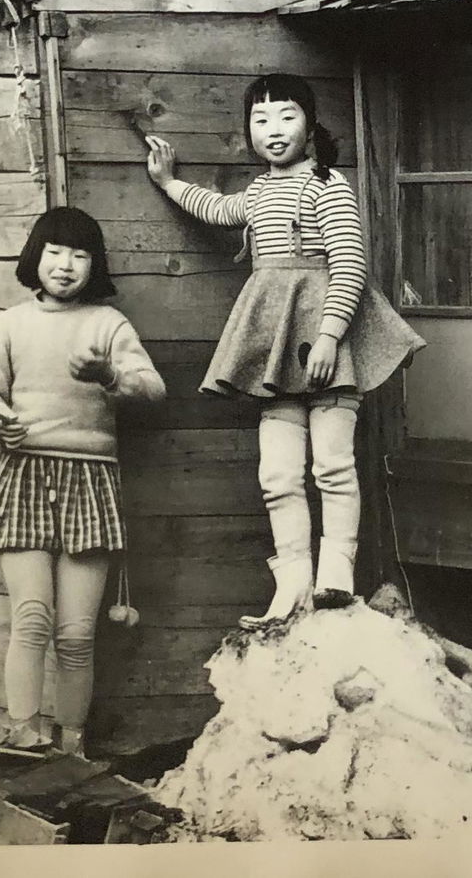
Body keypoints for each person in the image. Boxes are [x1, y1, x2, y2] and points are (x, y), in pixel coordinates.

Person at [143, 74, 424, 629]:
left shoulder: (328, 186)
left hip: (324, 340)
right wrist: (169, 182)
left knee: (334, 465)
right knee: (277, 475)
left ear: (310, 124)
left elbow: (349, 263)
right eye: (260, 120)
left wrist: (328, 335)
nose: (273, 130)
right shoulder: (257, 192)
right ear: (248, 130)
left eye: (287, 117)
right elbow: (217, 209)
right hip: (275, 342)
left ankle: (336, 574)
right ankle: (293, 582)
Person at [0, 206, 165, 757]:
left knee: (76, 634)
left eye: (80, 254)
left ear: (94, 265)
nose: (66, 264)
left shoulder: (108, 325)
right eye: (54, 251)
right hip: (24, 476)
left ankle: (71, 748)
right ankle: (24, 737)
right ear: (36, 257)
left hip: (90, 482)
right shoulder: (9, 324)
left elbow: (153, 389)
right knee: (31, 619)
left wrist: (109, 374)